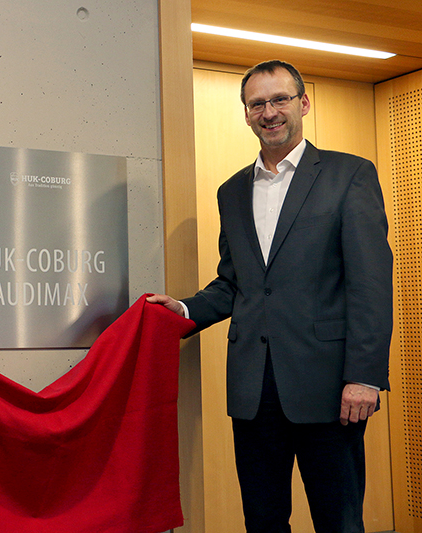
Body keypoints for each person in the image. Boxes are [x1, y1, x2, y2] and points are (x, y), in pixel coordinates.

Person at [148, 60, 392, 532]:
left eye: (280, 99)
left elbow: (370, 284)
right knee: (262, 519)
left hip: (330, 390)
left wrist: (364, 376)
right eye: (257, 103)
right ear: (246, 114)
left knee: (338, 520)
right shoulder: (232, 192)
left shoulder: (349, 175)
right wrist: (182, 309)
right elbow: (234, 283)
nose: (269, 112)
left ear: (303, 103)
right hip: (254, 392)